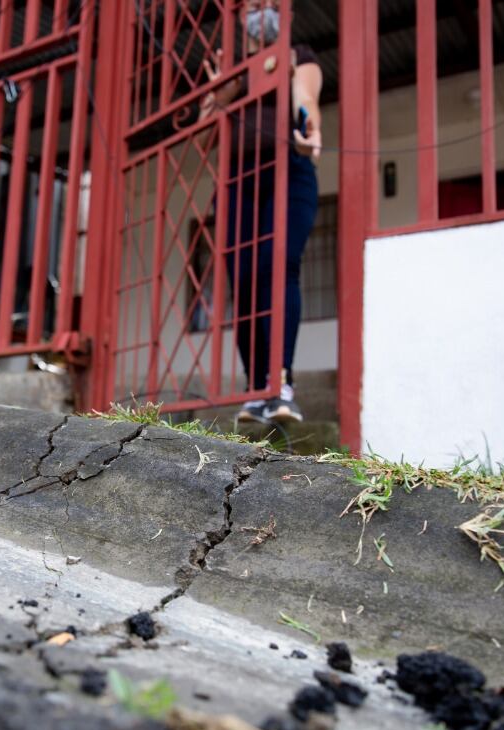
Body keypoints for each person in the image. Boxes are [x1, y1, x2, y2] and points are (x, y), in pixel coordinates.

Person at [201, 1, 322, 424]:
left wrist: (308, 126)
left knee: (279, 265)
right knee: (245, 279)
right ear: (239, 15)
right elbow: (203, 134)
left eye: (271, 5)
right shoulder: (228, 69)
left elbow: (306, 99)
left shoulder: (298, 56)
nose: (262, 12)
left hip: (289, 172)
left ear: (286, 13)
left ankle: (280, 383)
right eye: (254, 6)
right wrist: (223, 94)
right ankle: (256, 389)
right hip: (238, 180)